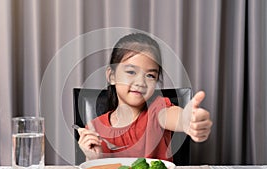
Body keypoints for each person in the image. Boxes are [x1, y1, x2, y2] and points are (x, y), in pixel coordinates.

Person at [78, 32, 212, 161]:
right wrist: (93, 158)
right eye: (131, 72)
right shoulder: (94, 128)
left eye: (150, 75)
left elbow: (175, 116)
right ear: (111, 76)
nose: (140, 82)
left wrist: (189, 121)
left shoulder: (157, 110)